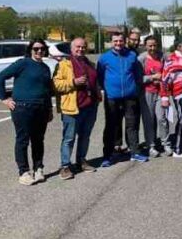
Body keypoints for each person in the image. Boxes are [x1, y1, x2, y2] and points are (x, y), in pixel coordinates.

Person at [0, 39, 54, 186]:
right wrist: (5, 99)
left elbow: (47, 91)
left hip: (41, 108)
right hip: (23, 108)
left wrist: (49, 109)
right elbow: (0, 77)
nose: (39, 51)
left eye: (42, 49)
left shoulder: (45, 68)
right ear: (30, 50)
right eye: (36, 49)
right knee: (23, 139)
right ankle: (23, 172)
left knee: (38, 140)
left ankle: (38, 168)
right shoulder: (23, 63)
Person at [53, 38, 100, 180]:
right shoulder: (64, 64)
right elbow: (56, 85)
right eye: (78, 47)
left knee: (85, 136)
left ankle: (81, 161)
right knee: (69, 138)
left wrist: (97, 95)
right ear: (71, 49)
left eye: (83, 47)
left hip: (90, 106)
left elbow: (95, 82)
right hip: (72, 107)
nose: (81, 49)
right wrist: (73, 82)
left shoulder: (90, 63)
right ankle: (65, 166)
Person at [98, 33, 145, 167]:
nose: (118, 43)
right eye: (115, 41)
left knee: (132, 125)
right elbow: (100, 77)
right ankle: (108, 155)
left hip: (130, 97)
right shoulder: (104, 58)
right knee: (111, 126)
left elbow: (137, 74)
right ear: (111, 42)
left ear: (125, 41)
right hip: (112, 97)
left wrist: (133, 88)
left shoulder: (131, 56)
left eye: (121, 41)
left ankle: (135, 151)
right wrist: (108, 89)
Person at [138, 36, 171, 157]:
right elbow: (137, 78)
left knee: (162, 118)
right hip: (147, 92)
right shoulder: (141, 59)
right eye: (150, 46)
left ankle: (166, 143)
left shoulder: (163, 56)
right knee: (149, 120)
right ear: (145, 46)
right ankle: (151, 145)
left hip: (161, 92)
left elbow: (170, 69)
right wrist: (152, 78)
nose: (152, 48)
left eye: (154, 45)